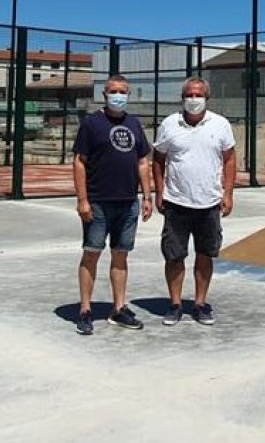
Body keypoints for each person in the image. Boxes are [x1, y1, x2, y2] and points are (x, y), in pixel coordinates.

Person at [71, 74, 154, 335]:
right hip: (98, 203)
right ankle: (85, 310)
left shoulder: (133, 123)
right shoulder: (92, 123)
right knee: (91, 254)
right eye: (113, 91)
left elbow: (143, 162)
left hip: (128, 203)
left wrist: (147, 196)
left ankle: (119, 308)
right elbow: (79, 162)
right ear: (104, 95)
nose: (119, 95)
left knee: (121, 256)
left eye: (123, 91)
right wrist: (83, 200)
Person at [152, 77, 236, 326]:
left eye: (198, 95)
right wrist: (159, 192)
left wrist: (228, 193)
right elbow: (158, 159)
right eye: (189, 95)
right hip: (176, 202)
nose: (193, 99)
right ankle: (176, 304)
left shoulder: (220, 124)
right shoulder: (169, 124)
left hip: (209, 202)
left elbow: (229, 159)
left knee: (205, 254)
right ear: (182, 97)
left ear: (207, 98)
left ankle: (200, 304)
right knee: (174, 256)